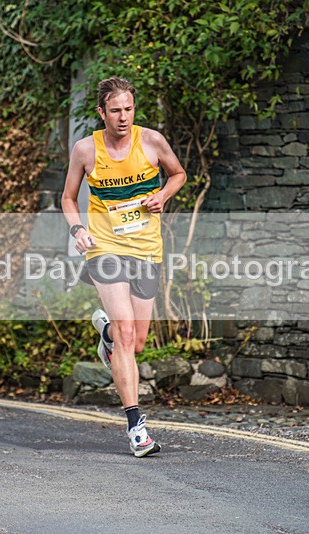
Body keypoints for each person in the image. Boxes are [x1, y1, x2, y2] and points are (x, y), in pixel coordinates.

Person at [61, 76, 186, 457]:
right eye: (115, 110)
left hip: (147, 248)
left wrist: (163, 195)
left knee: (136, 341)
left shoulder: (151, 142)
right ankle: (136, 429)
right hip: (106, 248)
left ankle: (107, 336)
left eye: (128, 109)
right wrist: (78, 229)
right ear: (101, 113)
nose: (123, 117)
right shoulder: (86, 150)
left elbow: (178, 174)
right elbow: (67, 198)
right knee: (129, 335)